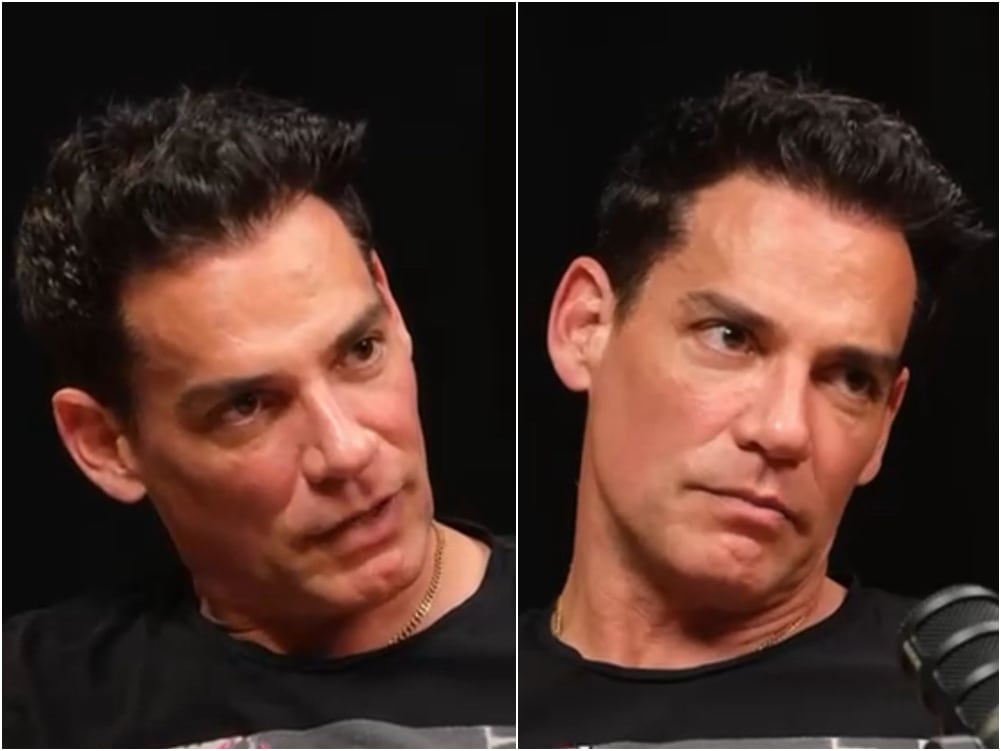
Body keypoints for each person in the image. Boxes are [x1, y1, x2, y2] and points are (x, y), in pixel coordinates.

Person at [4, 89, 514, 749]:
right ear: (104, 443)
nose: (347, 450)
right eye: (247, 405)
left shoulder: (607, 643)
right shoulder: (34, 703)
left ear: (392, 310)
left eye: (360, 351)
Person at [518, 72, 992, 747]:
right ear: (584, 325)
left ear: (886, 421)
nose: (782, 430)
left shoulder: (970, 712)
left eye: (848, 378)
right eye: (730, 337)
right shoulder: (453, 704)